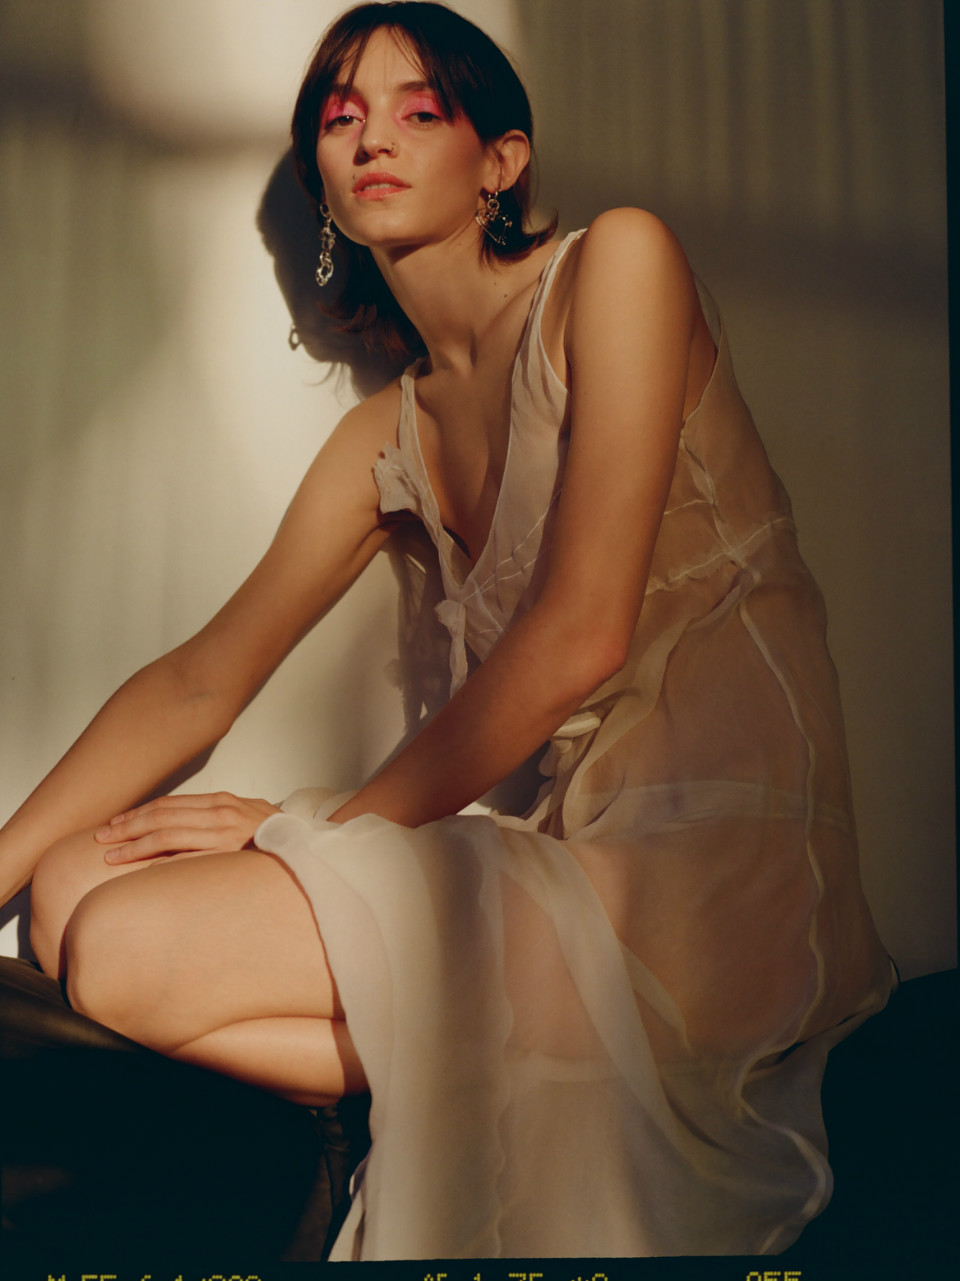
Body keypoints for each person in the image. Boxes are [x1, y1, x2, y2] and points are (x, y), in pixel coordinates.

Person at [2, 0, 893, 1262]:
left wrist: (312, 834)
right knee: (63, 890)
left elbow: (580, 636)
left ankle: (441, 1076)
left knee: (118, 947)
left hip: (707, 885)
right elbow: (202, 678)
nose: (373, 137)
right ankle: (444, 1072)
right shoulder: (390, 433)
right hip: (558, 862)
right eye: (341, 116)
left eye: (420, 111)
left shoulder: (619, 265)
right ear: (319, 176)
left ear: (501, 161)